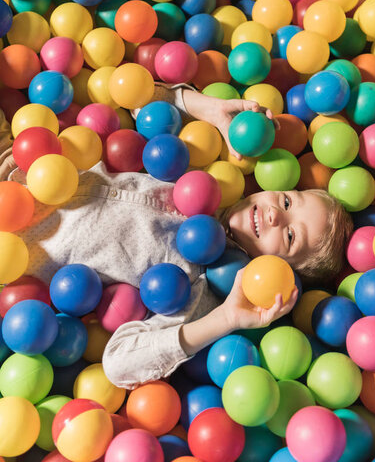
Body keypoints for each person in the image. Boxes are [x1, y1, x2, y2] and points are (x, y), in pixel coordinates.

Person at [0, 83, 353, 389]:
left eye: (290, 236)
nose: (276, 213)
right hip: (14, 159)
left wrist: (226, 318)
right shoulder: (212, 171)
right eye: (289, 201)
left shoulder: (198, 292)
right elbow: (138, 96)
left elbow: (118, 364)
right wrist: (211, 110)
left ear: (278, 269)